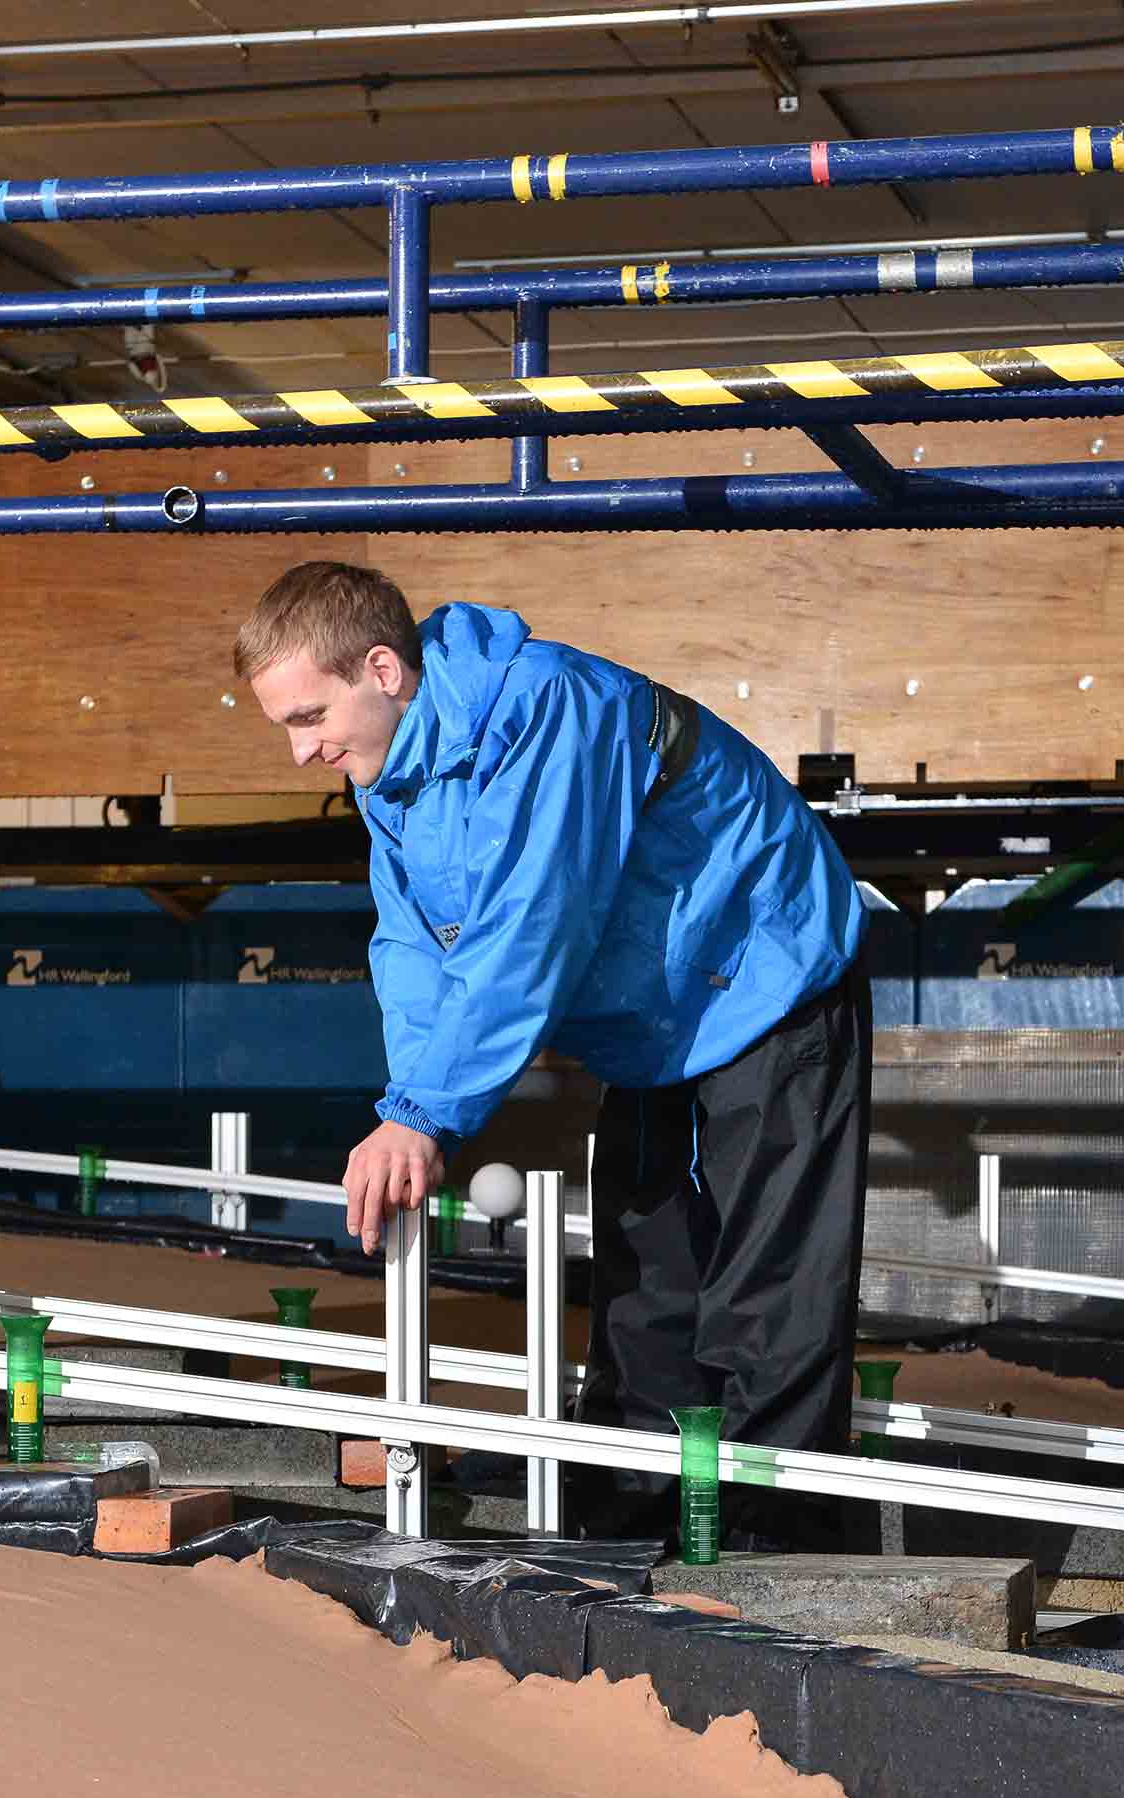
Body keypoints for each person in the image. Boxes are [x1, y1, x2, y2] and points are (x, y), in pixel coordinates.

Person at [235, 561, 868, 1545]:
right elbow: (410, 945)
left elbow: (533, 922)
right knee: (645, 1284)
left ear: (380, 669)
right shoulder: (389, 773)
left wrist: (425, 1114)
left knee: (765, 1294)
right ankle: (626, 1529)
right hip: (652, 1020)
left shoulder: (548, 712)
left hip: (764, 976)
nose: (301, 750)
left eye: (309, 716)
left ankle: (774, 1553)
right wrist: (407, 1104)